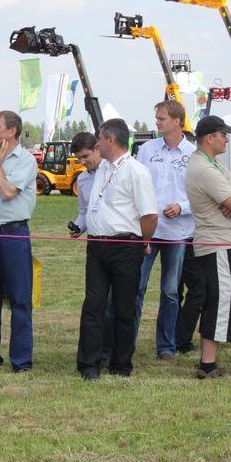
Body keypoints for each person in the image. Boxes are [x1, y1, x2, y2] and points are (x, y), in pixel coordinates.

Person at [77, 119, 157, 380]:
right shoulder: (102, 168)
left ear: (110, 140)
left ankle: (121, 365)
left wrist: (143, 241)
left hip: (125, 246)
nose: (96, 143)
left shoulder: (137, 172)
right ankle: (89, 364)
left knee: (124, 307)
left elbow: (149, 216)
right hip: (97, 246)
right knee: (93, 306)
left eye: (99, 138)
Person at [185, 116, 231, 379]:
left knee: (219, 299)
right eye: (223, 134)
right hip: (217, 243)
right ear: (209, 138)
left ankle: (208, 360)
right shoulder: (205, 169)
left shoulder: (214, 164)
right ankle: (208, 364)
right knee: (219, 302)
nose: (227, 138)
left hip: (225, 241)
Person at [134, 100, 196, 360]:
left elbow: (202, 194)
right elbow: (136, 185)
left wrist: (181, 207)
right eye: (157, 118)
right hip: (148, 229)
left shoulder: (193, 154)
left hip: (177, 233)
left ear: (177, 121)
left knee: (171, 291)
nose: (157, 122)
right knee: (136, 286)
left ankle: (166, 346)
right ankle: (127, 340)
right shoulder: (147, 150)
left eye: (161, 119)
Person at [0, 111, 37, 373]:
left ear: (11, 131)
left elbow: (8, 192)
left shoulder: (25, 160)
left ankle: (21, 360)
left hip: (13, 236)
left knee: (19, 299)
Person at [69, 131, 114, 368]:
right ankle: (95, 355)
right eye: (79, 159)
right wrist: (78, 226)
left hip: (120, 244)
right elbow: (85, 212)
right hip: (96, 245)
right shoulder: (83, 180)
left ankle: (114, 352)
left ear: (98, 148)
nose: (83, 162)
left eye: (85, 156)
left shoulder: (114, 170)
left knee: (117, 305)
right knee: (96, 303)